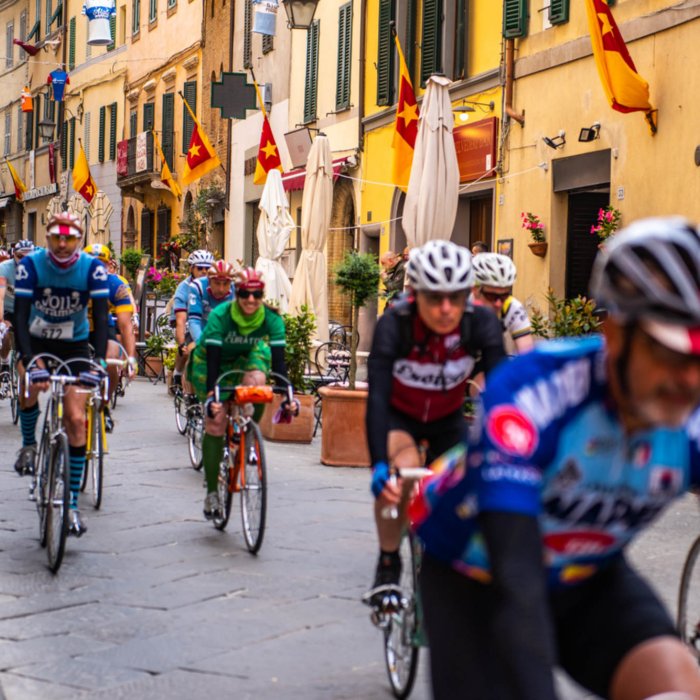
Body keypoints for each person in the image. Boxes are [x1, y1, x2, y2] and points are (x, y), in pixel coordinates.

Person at [412, 217, 700, 699]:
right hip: (478, 573)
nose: (687, 380)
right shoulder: (535, 394)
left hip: (588, 575)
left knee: (677, 685)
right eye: (667, 354)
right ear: (614, 333)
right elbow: (517, 582)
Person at [364, 239, 507, 608]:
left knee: (470, 490)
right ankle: (388, 563)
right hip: (400, 416)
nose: (446, 309)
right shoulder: (395, 324)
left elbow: (505, 394)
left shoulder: (482, 323)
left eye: (455, 298)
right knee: (401, 478)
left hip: (447, 418)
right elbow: (377, 397)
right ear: (415, 295)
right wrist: (379, 462)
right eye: (434, 298)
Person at [14, 213, 110, 537]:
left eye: (69, 239)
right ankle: (29, 445)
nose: (63, 244)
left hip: (75, 347)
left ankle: (69, 504)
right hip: (37, 341)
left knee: (76, 418)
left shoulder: (93, 268)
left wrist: (96, 364)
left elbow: (100, 315)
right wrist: (30, 361)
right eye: (57, 238)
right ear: (48, 238)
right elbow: (21, 316)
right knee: (28, 389)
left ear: (79, 240)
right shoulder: (31, 265)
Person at [187, 267, 296, 519]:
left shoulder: (272, 318)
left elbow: (279, 366)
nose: (250, 300)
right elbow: (213, 362)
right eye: (245, 293)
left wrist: (288, 396)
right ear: (237, 293)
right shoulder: (220, 316)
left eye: (256, 294)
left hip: (247, 356)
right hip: (211, 362)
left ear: (262, 295)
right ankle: (212, 492)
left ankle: (248, 434)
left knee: (259, 384)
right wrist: (215, 399)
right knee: (215, 422)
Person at [84, 244, 137, 429]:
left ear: (108, 266)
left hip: (102, 327)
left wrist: (131, 358)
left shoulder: (116, 285)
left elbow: (125, 325)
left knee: (112, 359)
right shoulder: (74, 280)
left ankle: (105, 404)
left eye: (102, 264)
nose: (97, 268)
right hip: (77, 328)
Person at [472, 252, 534, 355]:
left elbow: (526, 354)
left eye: (504, 295)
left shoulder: (511, 307)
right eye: (491, 296)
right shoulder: (460, 306)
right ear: (475, 290)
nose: (498, 303)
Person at [171, 250, 213, 391]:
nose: (204, 271)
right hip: (187, 321)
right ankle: (178, 373)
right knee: (188, 349)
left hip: (208, 322)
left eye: (207, 268)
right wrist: (182, 343)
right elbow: (181, 320)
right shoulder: (183, 289)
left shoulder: (217, 284)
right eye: (199, 268)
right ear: (191, 269)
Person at [0, 240, 35, 361]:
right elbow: (0, 297)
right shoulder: (4, 268)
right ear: (13, 254)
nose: (24, 260)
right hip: (8, 310)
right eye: (20, 256)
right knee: (3, 334)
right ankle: (4, 363)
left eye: (29, 257)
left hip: (29, 311)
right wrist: (2, 320)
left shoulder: (39, 269)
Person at [186, 259, 235, 345]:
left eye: (226, 284)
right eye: (217, 283)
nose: (221, 289)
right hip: (200, 330)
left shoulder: (237, 291)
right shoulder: (198, 287)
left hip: (225, 334)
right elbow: (194, 321)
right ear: (209, 280)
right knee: (189, 351)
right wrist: (202, 344)